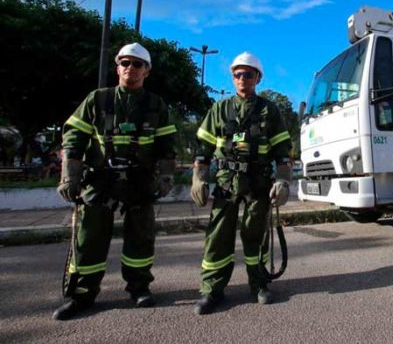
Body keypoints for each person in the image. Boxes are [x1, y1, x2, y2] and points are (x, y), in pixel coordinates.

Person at [52, 43, 177, 321]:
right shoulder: (97, 99)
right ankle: (82, 294)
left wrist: (166, 176)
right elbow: (73, 138)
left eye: (137, 64)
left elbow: (167, 146)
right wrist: (69, 176)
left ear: (147, 71)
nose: (130, 69)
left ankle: (139, 288)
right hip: (100, 180)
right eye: (125, 63)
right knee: (90, 239)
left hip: (139, 181)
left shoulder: (156, 105)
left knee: (141, 238)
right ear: (117, 67)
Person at [191, 51, 292, 315]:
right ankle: (212, 291)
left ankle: (259, 284)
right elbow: (203, 147)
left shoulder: (269, 110)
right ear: (232, 78)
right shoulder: (219, 109)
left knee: (255, 235)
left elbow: (282, 151)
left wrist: (283, 180)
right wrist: (198, 177)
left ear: (257, 77)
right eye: (237, 74)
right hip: (226, 183)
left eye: (247, 74)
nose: (241, 78)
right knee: (218, 238)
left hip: (258, 183)